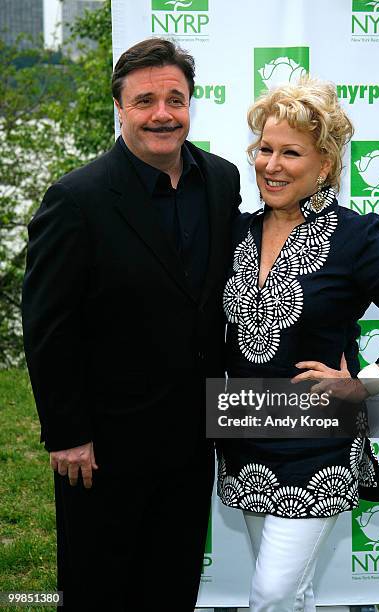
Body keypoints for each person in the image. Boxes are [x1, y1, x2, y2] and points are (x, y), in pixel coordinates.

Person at [22, 37, 241, 611]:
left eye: (176, 98)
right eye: (145, 101)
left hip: (194, 439)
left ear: (192, 104)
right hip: (104, 448)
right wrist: (67, 433)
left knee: (172, 586)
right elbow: (48, 324)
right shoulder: (77, 199)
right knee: (100, 590)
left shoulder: (221, 181)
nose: (162, 114)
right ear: (120, 108)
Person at [217, 77, 379, 611]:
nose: (271, 165)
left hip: (318, 436)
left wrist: (364, 385)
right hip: (245, 428)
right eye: (264, 150)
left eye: (290, 153)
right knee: (290, 592)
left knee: (270, 594)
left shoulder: (354, 237)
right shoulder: (236, 232)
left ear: (324, 165)